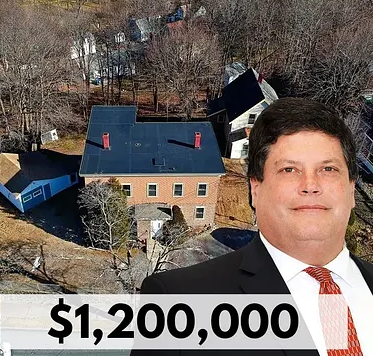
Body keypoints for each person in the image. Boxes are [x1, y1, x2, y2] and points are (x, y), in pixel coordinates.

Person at [130, 97, 373, 356]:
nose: (310, 185)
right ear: (255, 190)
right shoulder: (178, 301)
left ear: (351, 189)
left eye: (328, 169)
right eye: (289, 170)